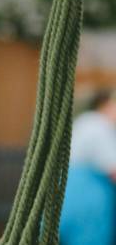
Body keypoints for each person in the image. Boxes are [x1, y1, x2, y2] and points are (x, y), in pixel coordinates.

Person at [59, 90, 116, 245]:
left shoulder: (84, 122)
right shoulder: (99, 125)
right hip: (87, 203)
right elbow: (113, 170)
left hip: (65, 195)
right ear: (107, 104)